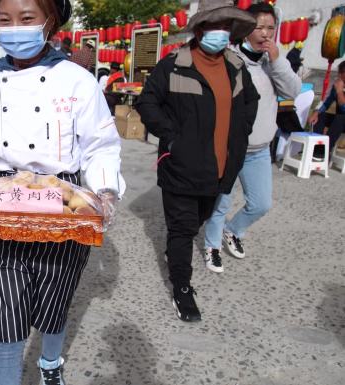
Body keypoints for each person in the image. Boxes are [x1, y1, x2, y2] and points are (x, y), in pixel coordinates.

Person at [0, 0, 125, 383]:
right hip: (6, 204)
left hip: (65, 204)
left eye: (26, 19)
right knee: (8, 309)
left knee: (54, 300)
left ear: (50, 22)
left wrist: (105, 191)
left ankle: (49, 365)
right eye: (5, 20)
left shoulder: (77, 81)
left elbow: (100, 146)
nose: (14, 29)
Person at [135, 0, 259, 322]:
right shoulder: (175, 63)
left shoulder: (235, 65)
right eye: (213, 25)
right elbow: (147, 101)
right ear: (200, 28)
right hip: (181, 166)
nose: (219, 33)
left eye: (225, 26)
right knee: (182, 228)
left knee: (198, 221)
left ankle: (176, 255)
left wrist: (240, 137)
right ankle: (182, 288)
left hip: (220, 167)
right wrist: (172, 137)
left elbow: (250, 103)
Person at [202, 3, 300, 273]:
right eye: (259, 26)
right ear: (245, 29)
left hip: (259, 149)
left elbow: (293, 90)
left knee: (261, 203)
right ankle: (212, 245)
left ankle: (233, 231)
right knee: (221, 203)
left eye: (271, 27)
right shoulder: (230, 59)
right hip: (231, 147)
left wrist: (277, 60)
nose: (266, 33)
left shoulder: (273, 63)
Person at [308, 61, 345, 160]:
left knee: (341, 118)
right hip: (340, 120)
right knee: (320, 116)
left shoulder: (339, 88)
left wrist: (339, 92)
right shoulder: (338, 86)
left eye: (342, 72)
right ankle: (317, 149)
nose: (340, 75)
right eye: (339, 72)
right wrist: (316, 112)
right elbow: (325, 102)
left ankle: (325, 150)